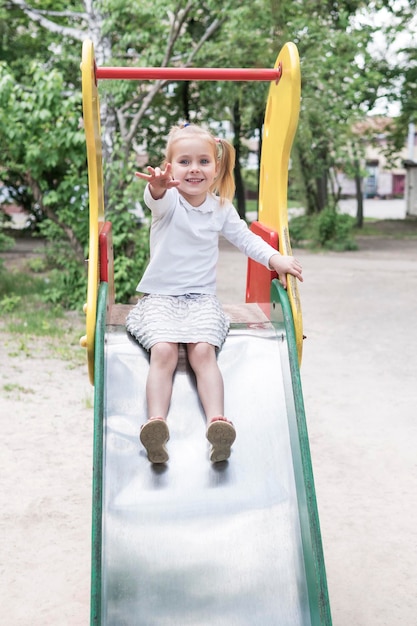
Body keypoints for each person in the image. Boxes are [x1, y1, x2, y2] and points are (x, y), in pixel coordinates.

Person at [126, 123, 303, 465]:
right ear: (170, 167)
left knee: (203, 351)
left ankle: (217, 424)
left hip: (202, 300)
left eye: (204, 161)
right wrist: (158, 188)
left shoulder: (220, 208)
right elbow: (156, 199)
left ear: (217, 168)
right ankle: (156, 425)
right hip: (161, 298)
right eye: (184, 162)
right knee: (162, 351)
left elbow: (247, 240)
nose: (194, 168)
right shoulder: (170, 202)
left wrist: (275, 257)